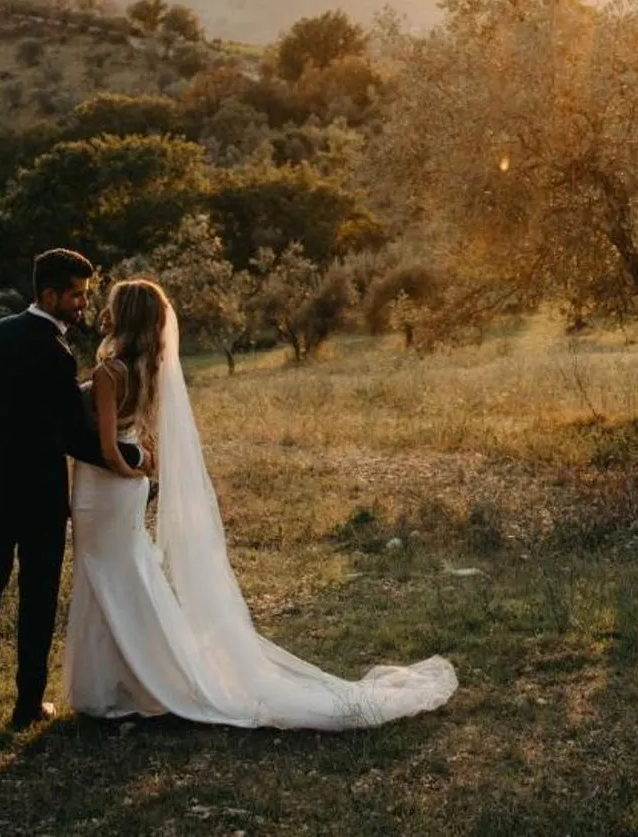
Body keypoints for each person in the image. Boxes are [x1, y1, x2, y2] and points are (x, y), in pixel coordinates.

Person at [61, 276, 456, 728]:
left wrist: (130, 471)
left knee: (110, 573)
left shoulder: (110, 371)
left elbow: (109, 447)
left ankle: (132, 680)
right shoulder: (146, 368)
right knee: (124, 573)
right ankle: (133, 677)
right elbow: (135, 435)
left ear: (124, 314)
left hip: (105, 485)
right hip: (121, 491)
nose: (104, 312)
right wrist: (142, 473)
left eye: (111, 305)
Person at [0, 248, 148, 729]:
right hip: (39, 491)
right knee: (37, 595)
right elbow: (73, 435)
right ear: (49, 294)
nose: (83, 305)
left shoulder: (0, 333)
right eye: (76, 296)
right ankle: (27, 705)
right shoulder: (56, 351)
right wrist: (133, 458)